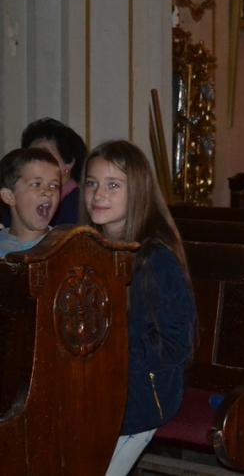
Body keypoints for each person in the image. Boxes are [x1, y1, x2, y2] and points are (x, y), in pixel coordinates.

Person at [81, 141, 197, 476]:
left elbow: (175, 344)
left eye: (113, 185)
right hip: (102, 385)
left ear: (139, 191)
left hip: (143, 393)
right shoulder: (86, 247)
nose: (98, 194)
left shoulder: (156, 258)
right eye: (92, 183)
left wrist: (112, 359)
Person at [21, 117, 87, 225]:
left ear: (68, 162)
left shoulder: (78, 206)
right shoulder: (19, 198)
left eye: (43, 155)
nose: (34, 162)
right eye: (30, 156)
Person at [0, 148, 61, 257]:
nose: (48, 192)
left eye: (54, 185)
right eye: (36, 184)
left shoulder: (65, 246)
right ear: (9, 196)